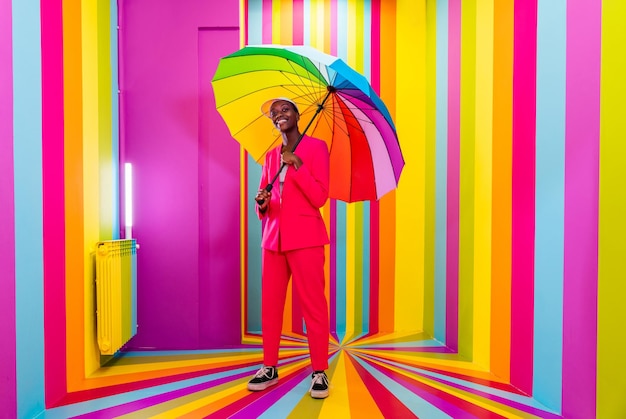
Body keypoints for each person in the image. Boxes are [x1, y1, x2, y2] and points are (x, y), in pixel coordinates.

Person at [247, 97, 331, 399]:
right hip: (273, 240)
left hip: (306, 239)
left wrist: (298, 166)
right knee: (270, 307)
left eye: (284, 109)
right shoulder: (270, 156)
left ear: (297, 114)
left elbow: (320, 197)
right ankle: (269, 366)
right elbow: (266, 203)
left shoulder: (317, 148)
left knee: (313, 305)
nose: (278, 115)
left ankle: (319, 370)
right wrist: (262, 203)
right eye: (274, 113)